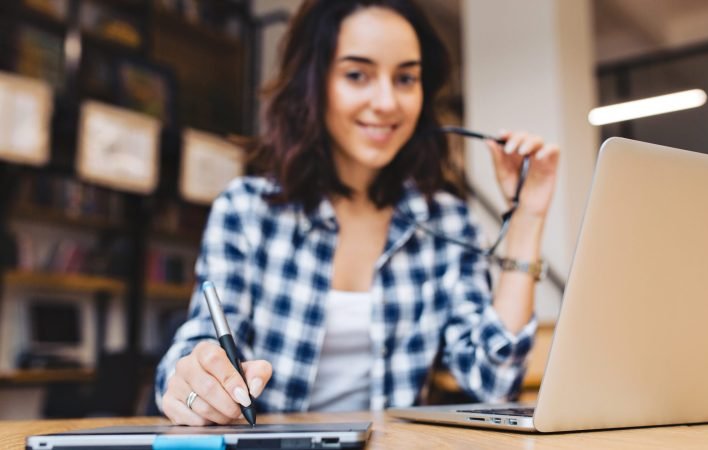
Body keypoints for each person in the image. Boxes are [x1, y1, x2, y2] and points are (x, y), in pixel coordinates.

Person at [155, 0, 560, 426]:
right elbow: (195, 348)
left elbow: (493, 381)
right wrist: (192, 380)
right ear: (314, 82)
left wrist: (527, 218)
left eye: (405, 78)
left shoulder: (447, 222)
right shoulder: (246, 210)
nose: (386, 102)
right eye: (356, 75)